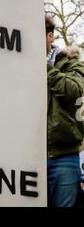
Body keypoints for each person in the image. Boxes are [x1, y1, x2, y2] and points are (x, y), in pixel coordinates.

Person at [45, 16, 84, 207]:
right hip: (24, 157)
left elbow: (74, 91)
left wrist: (43, 68)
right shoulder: (17, 64)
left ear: (50, 36)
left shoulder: (71, 63)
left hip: (63, 157)